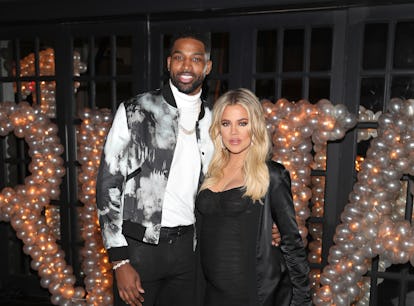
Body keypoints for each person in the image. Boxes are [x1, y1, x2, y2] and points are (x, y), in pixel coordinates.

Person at [96, 30, 214, 306]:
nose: (186, 66)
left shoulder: (213, 118)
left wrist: (268, 221)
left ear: (207, 67)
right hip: (139, 249)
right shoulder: (136, 110)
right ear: (168, 63)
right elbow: (108, 184)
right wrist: (119, 260)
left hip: (189, 250)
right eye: (179, 58)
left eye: (196, 59)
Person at [196, 88, 312, 306]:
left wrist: (302, 301)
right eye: (226, 123)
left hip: (251, 294)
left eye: (242, 123)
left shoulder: (272, 175)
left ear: (255, 127)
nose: (233, 132)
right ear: (218, 129)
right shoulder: (209, 174)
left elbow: (292, 244)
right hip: (210, 293)